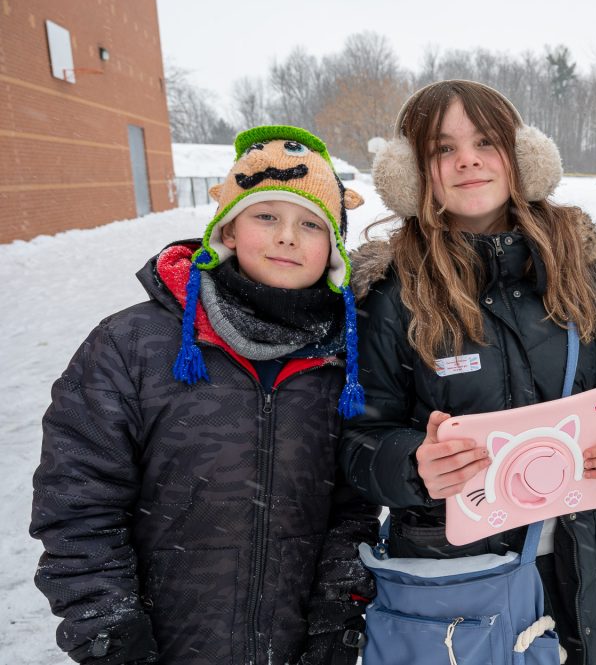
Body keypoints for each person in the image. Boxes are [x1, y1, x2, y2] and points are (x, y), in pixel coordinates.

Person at [30, 126, 379, 665]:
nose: (287, 236)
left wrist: (338, 606)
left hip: (296, 645)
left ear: (331, 250)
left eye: (311, 225)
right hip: (164, 643)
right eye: (266, 215)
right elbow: (78, 499)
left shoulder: (342, 361)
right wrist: (108, 621)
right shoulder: (134, 344)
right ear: (229, 230)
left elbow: (351, 507)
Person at [343, 80, 596, 665]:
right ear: (414, 174)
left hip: (585, 570)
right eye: (441, 149)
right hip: (460, 586)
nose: (467, 160)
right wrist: (413, 465)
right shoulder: (390, 296)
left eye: (485, 140)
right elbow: (358, 439)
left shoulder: (583, 280)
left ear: (521, 156)